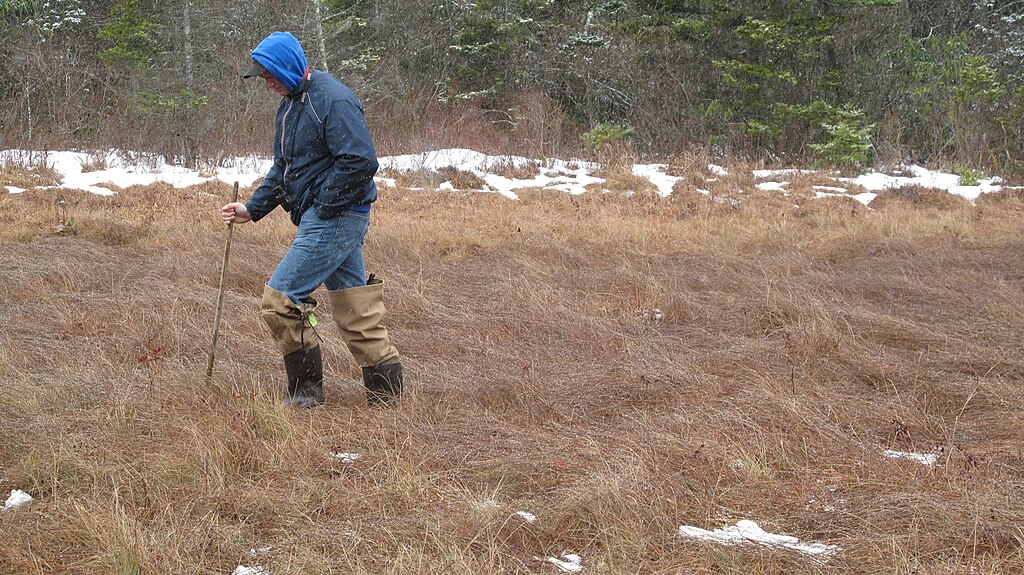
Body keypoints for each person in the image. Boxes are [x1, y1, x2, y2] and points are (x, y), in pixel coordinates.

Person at [221, 31, 403, 408]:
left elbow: (361, 162)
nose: (267, 83)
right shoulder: (289, 104)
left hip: (336, 216)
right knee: (357, 309)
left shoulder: (333, 100)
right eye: (262, 77)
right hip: (326, 216)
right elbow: (283, 167)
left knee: (280, 299)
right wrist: (253, 209)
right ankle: (389, 404)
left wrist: (322, 205)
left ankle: (305, 397)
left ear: (287, 67)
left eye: (269, 75)